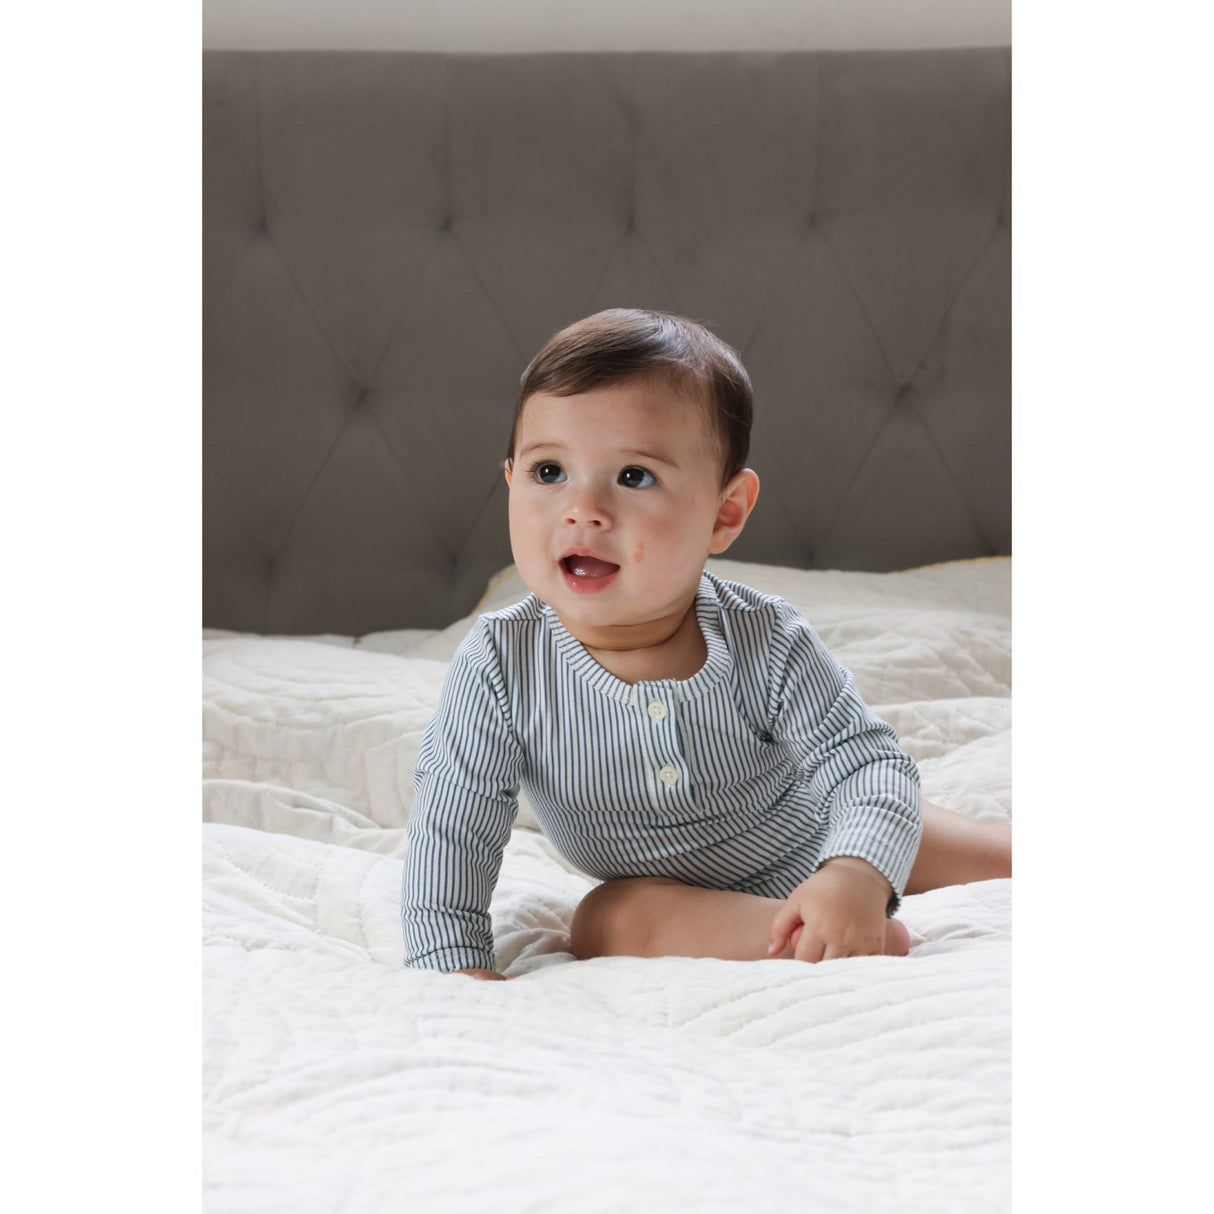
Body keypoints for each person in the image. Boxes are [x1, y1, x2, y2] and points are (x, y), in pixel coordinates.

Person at [401, 309, 1011, 980]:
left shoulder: (765, 636)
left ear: (725, 513)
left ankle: (841, 905)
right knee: (604, 920)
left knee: (950, 841)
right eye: (549, 472)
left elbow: (866, 766)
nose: (583, 509)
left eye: (634, 476)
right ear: (511, 480)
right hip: (651, 886)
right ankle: (800, 936)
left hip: (816, 831)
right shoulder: (501, 661)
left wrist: (857, 871)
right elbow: (453, 822)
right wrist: (451, 963)